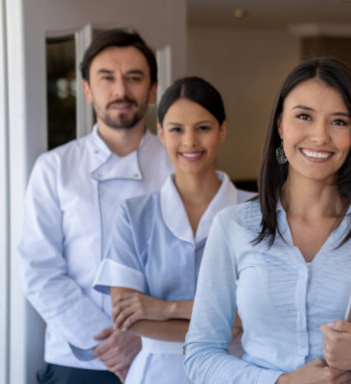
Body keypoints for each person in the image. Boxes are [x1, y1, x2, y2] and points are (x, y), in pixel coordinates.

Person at [183, 57, 351, 384]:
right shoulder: (233, 226)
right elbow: (199, 355)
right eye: (304, 116)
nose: (320, 136)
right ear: (280, 126)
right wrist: (281, 383)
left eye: (339, 121)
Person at [18, 30, 174, 384]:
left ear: (152, 90)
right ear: (86, 89)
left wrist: (143, 335)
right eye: (107, 78)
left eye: (134, 78)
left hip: (163, 358)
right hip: (79, 358)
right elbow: (39, 269)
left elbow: (197, 272)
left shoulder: (179, 167)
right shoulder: (54, 167)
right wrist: (108, 339)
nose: (121, 90)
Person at [91, 77, 254, 384]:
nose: (190, 141)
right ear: (162, 134)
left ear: (222, 130)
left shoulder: (257, 212)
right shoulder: (134, 215)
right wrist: (222, 319)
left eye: (203, 128)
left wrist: (164, 309)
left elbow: (249, 318)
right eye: (177, 129)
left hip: (235, 371)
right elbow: (128, 320)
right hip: (157, 373)